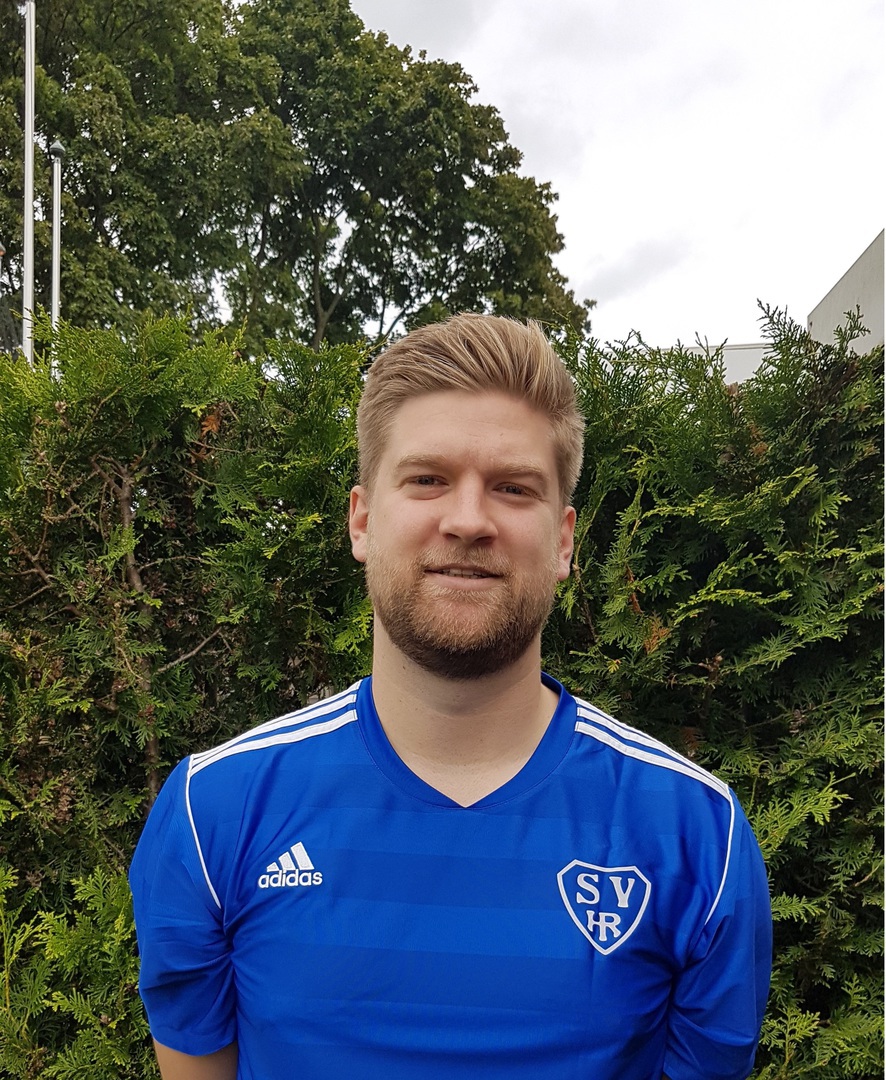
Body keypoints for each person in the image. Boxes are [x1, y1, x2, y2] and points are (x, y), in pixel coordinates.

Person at [129, 313, 772, 1080]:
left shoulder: (696, 835)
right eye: (428, 479)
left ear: (564, 540)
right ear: (362, 520)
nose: (468, 520)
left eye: (513, 488)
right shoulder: (214, 813)